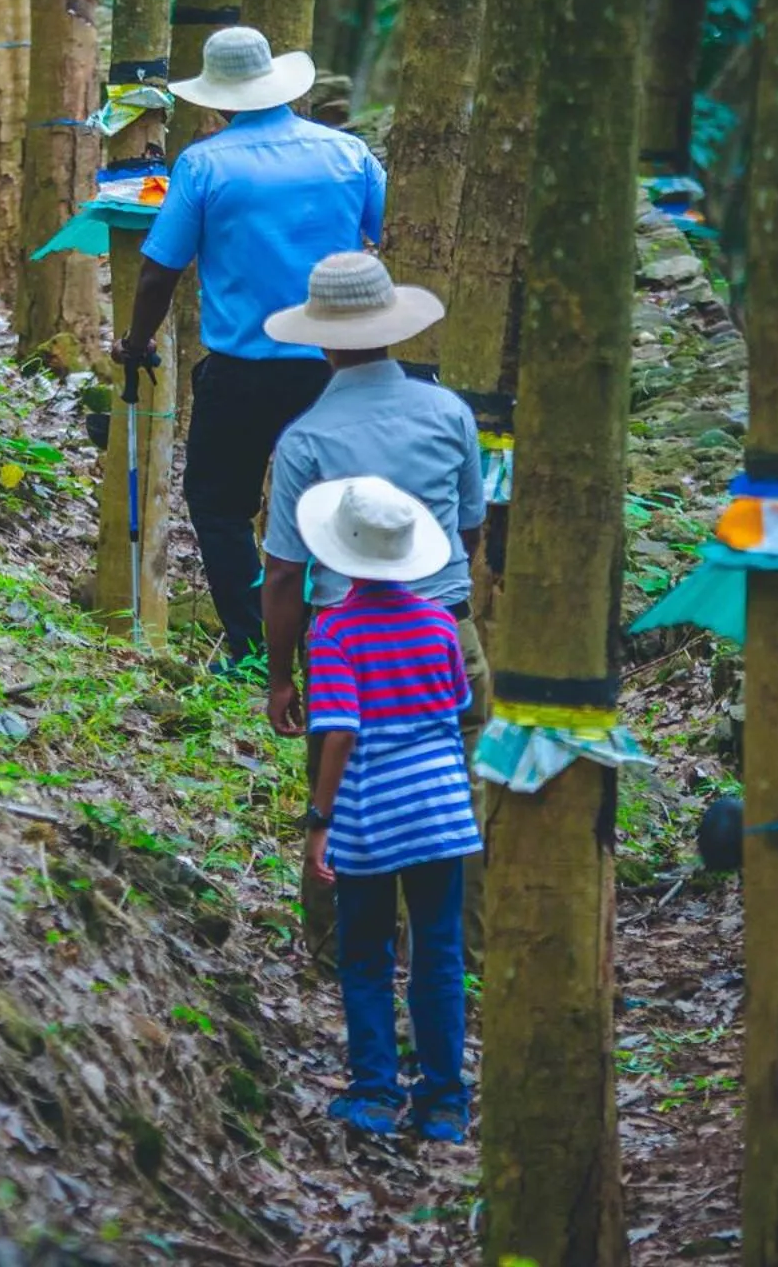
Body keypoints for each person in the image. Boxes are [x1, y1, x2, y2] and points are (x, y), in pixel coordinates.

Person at [115, 25, 387, 669]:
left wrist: (135, 341)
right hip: (336, 367)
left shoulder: (205, 163)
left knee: (219, 504)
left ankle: (254, 648)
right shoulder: (349, 155)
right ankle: (331, 646)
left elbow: (161, 268)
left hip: (241, 370)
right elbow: (386, 233)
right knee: (333, 507)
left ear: (216, 99)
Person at [256, 251, 489, 964]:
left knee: (341, 793)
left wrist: (280, 675)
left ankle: (341, 954)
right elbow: (471, 528)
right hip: (447, 629)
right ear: (393, 327)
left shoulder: (306, 440)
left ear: (321, 338)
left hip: (344, 640)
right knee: (462, 792)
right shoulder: (450, 413)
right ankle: (459, 958)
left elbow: (283, 571)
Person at [295, 475, 481, 1142]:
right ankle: (444, 1103)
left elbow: (339, 729)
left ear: (340, 552)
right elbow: (456, 708)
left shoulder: (335, 632)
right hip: (441, 813)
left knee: (367, 953)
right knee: (437, 952)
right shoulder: (438, 623)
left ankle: (375, 1094)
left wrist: (321, 822)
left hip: (372, 816)